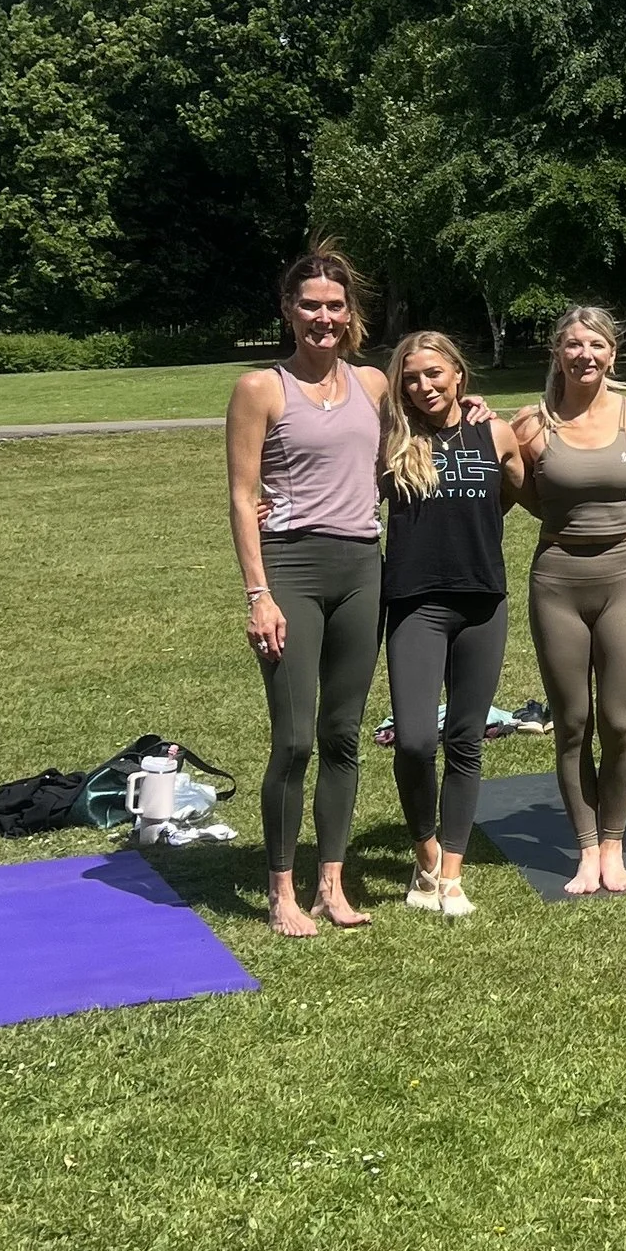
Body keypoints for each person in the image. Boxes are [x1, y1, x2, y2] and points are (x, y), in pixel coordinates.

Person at [227, 249, 391, 937]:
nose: (323, 317)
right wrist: (257, 592)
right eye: (310, 304)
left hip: (362, 567)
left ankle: (331, 880)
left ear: (349, 312)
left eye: (334, 305)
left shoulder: (375, 384)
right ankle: (281, 890)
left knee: (343, 734)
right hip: (291, 568)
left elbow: (414, 444)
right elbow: (241, 496)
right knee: (294, 738)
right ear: (288, 310)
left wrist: (469, 400)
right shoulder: (261, 387)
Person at [512, 306, 626, 896]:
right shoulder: (531, 424)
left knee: (620, 719)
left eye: (596, 345)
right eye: (574, 345)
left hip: (625, 579)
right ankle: (585, 850)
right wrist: (568, 526)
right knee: (573, 721)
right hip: (557, 580)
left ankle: (614, 844)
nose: (585, 355)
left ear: (612, 354)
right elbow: (516, 491)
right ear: (558, 352)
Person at [379, 330, 528, 919]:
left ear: (458, 376)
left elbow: (519, 489)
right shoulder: (391, 437)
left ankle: (451, 875)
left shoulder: (493, 430)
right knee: (415, 740)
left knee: (466, 740)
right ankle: (425, 853)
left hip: (482, 601)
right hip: (415, 603)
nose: (424, 386)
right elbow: (334, 487)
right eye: (412, 378)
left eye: (435, 374)